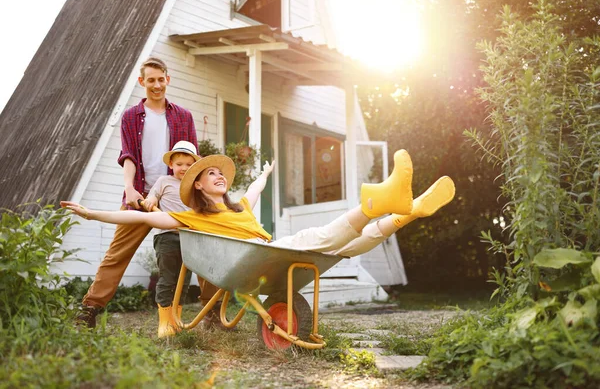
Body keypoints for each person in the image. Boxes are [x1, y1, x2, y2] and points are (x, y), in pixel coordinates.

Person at [63, 149, 456, 285]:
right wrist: (92, 214)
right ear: (198, 186)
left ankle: (408, 211)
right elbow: (142, 221)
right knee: (317, 237)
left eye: (220, 173)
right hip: (254, 260)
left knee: (344, 248)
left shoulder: (238, 206)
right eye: (211, 174)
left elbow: (254, 190)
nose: (219, 176)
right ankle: (380, 201)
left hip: (268, 253)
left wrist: (265, 174)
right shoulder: (193, 219)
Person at [74, 57, 219, 329]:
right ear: (142, 82)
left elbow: (193, 161)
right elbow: (128, 155)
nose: (156, 85)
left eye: (160, 79)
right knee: (117, 253)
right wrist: (130, 188)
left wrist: (201, 195)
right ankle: (89, 309)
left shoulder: (183, 116)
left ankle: (212, 311)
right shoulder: (131, 117)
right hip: (142, 195)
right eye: (150, 80)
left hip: (179, 198)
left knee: (203, 249)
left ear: (168, 79)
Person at [143, 141, 199, 338]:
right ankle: (164, 323)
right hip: (166, 236)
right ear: (172, 165)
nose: (183, 168)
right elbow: (152, 197)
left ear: (194, 166)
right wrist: (150, 201)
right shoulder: (164, 181)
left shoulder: (195, 186)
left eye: (188, 164)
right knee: (167, 278)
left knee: (183, 281)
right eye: (179, 164)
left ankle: (176, 320)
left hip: (190, 238)